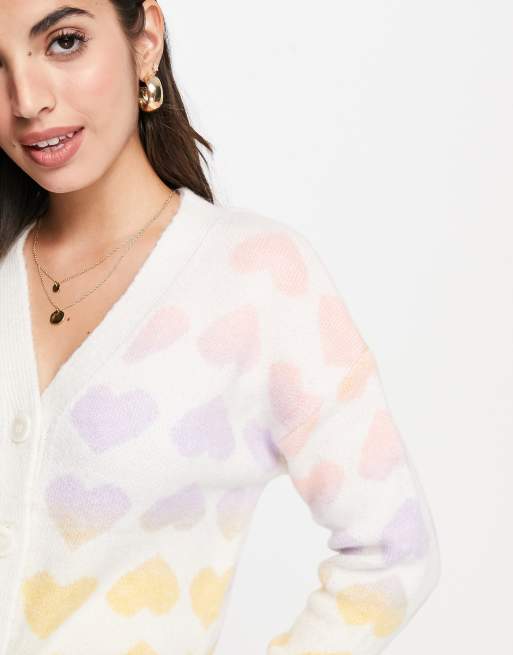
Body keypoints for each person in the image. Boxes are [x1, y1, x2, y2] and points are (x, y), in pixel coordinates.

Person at [0, 1, 441, 654]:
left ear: (145, 40)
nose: (27, 100)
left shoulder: (256, 281)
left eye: (65, 42)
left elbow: (394, 551)